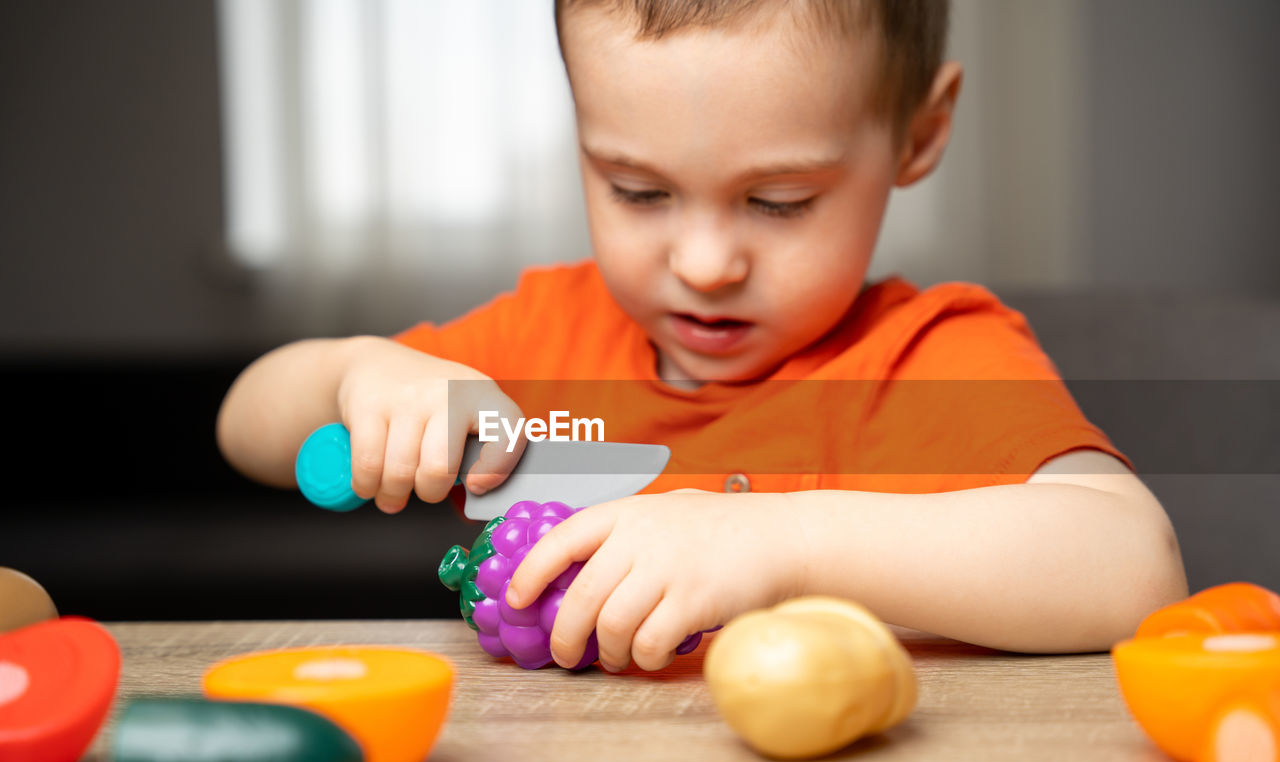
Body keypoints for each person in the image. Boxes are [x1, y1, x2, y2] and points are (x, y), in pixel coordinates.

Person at [217, 0, 1186, 670]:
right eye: (637, 191)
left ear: (916, 134)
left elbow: (1131, 568)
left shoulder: (926, 358)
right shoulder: (542, 337)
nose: (705, 261)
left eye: (776, 201)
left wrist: (775, 544)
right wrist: (358, 373)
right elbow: (245, 426)